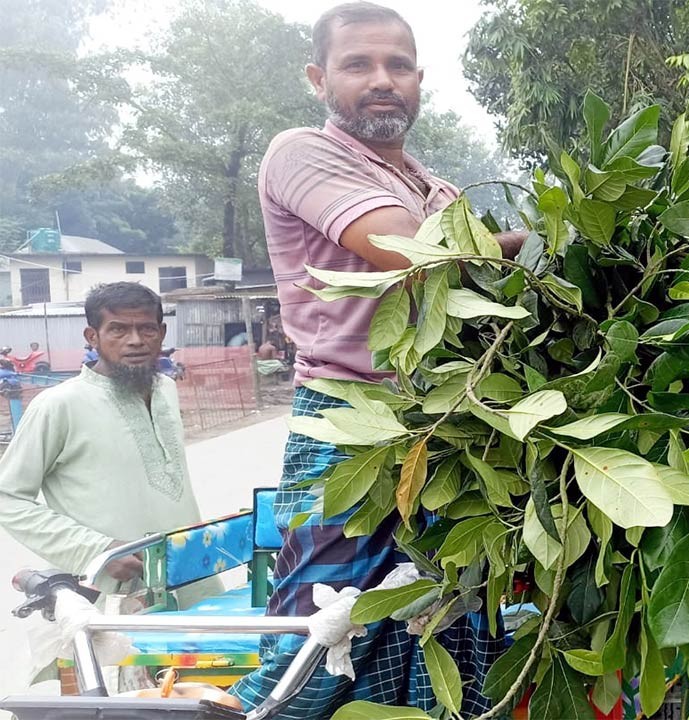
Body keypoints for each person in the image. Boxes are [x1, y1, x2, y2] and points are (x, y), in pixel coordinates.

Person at [230, 4, 522, 716]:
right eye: (358, 64)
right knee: (326, 630)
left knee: (445, 621)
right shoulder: (301, 150)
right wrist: (531, 239)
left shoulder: (441, 190)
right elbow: (413, 250)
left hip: (449, 426)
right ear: (319, 77)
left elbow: (479, 272)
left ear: (419, 80)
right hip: (349, 423)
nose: (382, 80)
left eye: (398, 66)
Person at [0, 283, 209, 597]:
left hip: (193, 578)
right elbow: (8, 498)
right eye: (119, 330)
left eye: (146, 329)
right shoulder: (58, 405)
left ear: (162, 333)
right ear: (92, 336)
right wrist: (97, 549)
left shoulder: (166, 388)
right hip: (114, 597)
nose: (135, 340)